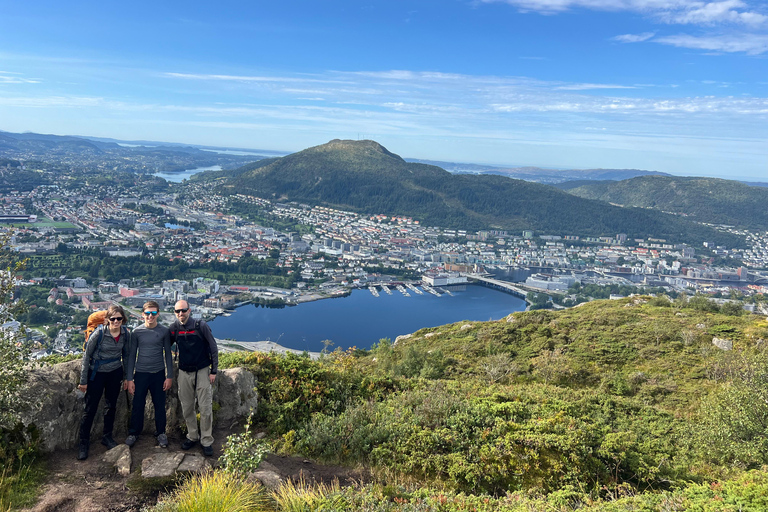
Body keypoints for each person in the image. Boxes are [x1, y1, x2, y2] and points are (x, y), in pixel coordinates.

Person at [77, 305, 131, 460]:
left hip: (115, 373)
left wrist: (127, 378)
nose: (116, 321)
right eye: (112, 318)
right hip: (97, 373)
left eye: (119, 318)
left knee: (111, 406)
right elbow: (86, 357)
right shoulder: (99, 333)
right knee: (90, 409)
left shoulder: (125, 335)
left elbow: (126, 356)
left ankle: (107, 436)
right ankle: (83, 442)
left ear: (123, 319)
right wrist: (83, 381)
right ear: (107, 319)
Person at [170, 300, 218, 456]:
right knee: (187, 407)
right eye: (177, 311)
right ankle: (192, 435)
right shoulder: (174, 328)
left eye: (183, 310)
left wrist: (214, 371)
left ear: (189, 310)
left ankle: (206, 440)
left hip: (202, 370)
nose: (180, 314)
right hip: (184, 372)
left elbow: (213, 347)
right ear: (175, 312)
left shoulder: (200, 326)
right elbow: (163, 343)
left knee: (205, 407)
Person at [124, 301, 173, 448]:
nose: (150, 316)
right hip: (140, 373)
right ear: (142, 314)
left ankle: (161, 433)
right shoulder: (136, 332)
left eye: (153, 313)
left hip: (158, 373)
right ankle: (134, 433)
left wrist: (169, 375)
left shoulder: (164, 331)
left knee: (159, 405)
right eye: (147, 313)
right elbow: (132, 355)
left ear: (158, 314)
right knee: (138, 404)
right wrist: (130, 378)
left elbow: (168, 355)